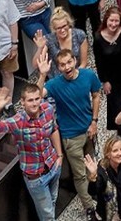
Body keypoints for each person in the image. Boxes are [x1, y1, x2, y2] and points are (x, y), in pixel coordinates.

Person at [35, 42, 102, 218]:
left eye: (69, 62)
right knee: (80, 175)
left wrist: (95, 121)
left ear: (75, 60)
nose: (67, 67)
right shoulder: (55, 84)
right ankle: (89, 208)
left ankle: (94, 191)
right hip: (70, 137)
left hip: (89, 131)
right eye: (62, 65)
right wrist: (42, 74)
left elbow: (96, 95)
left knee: (92, 167)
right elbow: (36, 95)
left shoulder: (88, 76)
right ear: (58, 68)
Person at [0, 82, 62, 221]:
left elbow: (54, 129)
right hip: (36, 177)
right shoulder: (17, 122)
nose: (34, 103)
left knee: (53, 202)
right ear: (22, 102)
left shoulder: (47, 109)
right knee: (47, 215)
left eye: (37, 99)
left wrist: (60, 156)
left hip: (53, 165)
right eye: (30, 100)